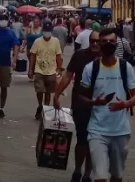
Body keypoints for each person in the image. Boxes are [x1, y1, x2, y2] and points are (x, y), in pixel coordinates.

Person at [78, 28, 135, 182]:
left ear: (116, 42)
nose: (108, 44)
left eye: (111, 41)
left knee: (117, 176)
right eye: (104, 41)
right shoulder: (91, 68)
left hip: (121, 131)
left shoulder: (126, 68)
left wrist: (126, 103)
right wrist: (94, 102)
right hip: (97, 130)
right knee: (100, 177)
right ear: (99, 43)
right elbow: (80, 95)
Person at [54, 31, 102, 182]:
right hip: (80, 104)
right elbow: (68, 76)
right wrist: (57, 94)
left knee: (93, 141)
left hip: (100, 107)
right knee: (82, 139)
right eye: (92, 41)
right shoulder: (80, 55)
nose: (95, 44)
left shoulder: (107, 59)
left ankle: (87, 173)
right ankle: (77, 171)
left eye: (98, 41)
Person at [29, 21, 63, 120]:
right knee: (39, 90)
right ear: (43, 31)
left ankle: (46, 108)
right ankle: (40, 105)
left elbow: (58, 56)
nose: (47, 33)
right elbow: (33, 55)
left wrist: (59, 68)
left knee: (48, 92)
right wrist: (30, 69)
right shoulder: (37, 41)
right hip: (39, 70)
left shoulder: (56, 41)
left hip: (51, 71)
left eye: (49, 31)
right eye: (45, 31)